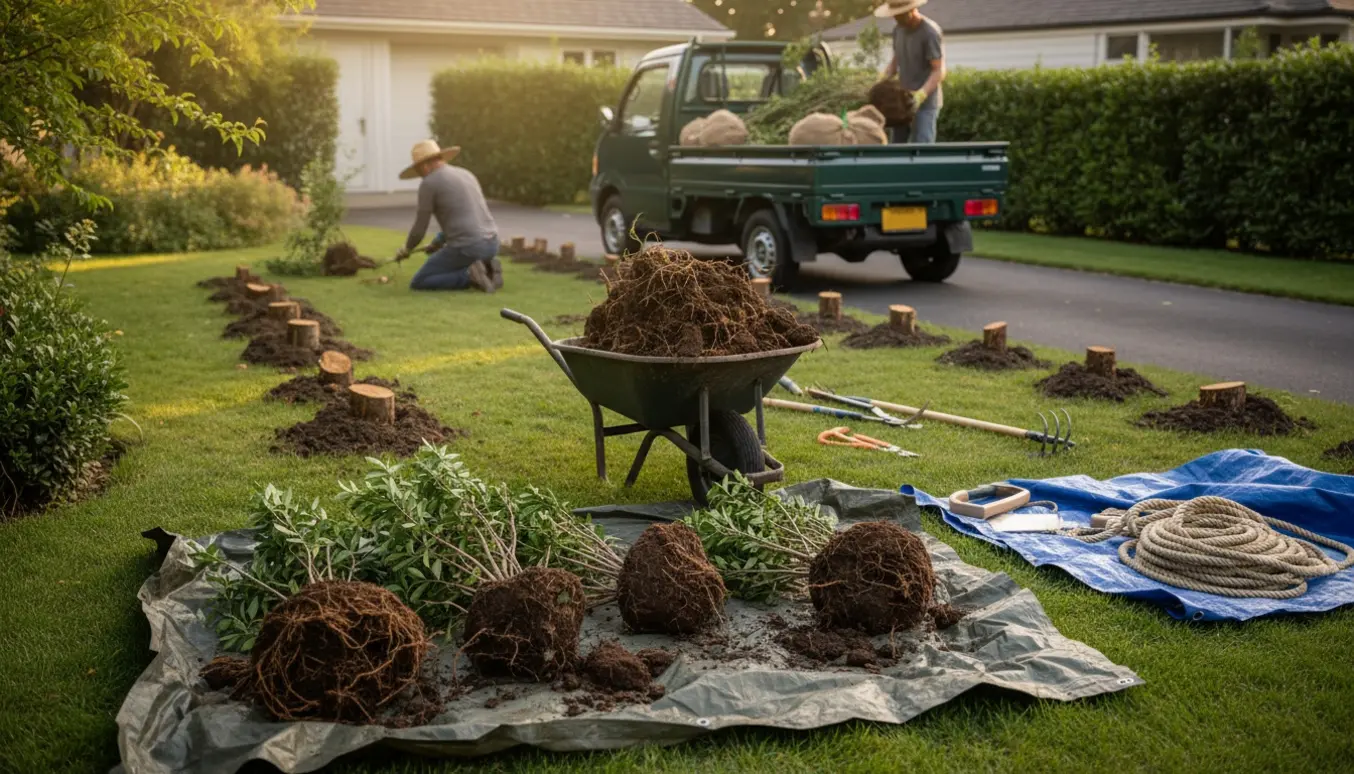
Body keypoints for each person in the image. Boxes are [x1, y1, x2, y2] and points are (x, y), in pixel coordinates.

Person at [394, 139, 503, 293]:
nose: (420, 177)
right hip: (492, 244)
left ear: (424, 166)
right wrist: (438, 242)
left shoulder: (429, 183)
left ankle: (470, 277)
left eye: (418, 172)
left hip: (469, 247)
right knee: (445, 266)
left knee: (421, 280)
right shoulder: (466, 174)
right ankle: (488, 269)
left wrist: (406, 249)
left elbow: (420, 227)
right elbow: (464, 216)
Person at [876, 0, 946, 144]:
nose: (897, 19)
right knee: (897, 147)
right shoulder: (898, 30)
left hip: (925, 104)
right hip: (902, 102)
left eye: (900, 15)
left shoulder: (930, 32)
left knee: (922, 148)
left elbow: (938, 70)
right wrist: (883, 79)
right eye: (894, 16)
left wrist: (921, 94)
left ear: (912, 10)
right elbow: (896, 60)